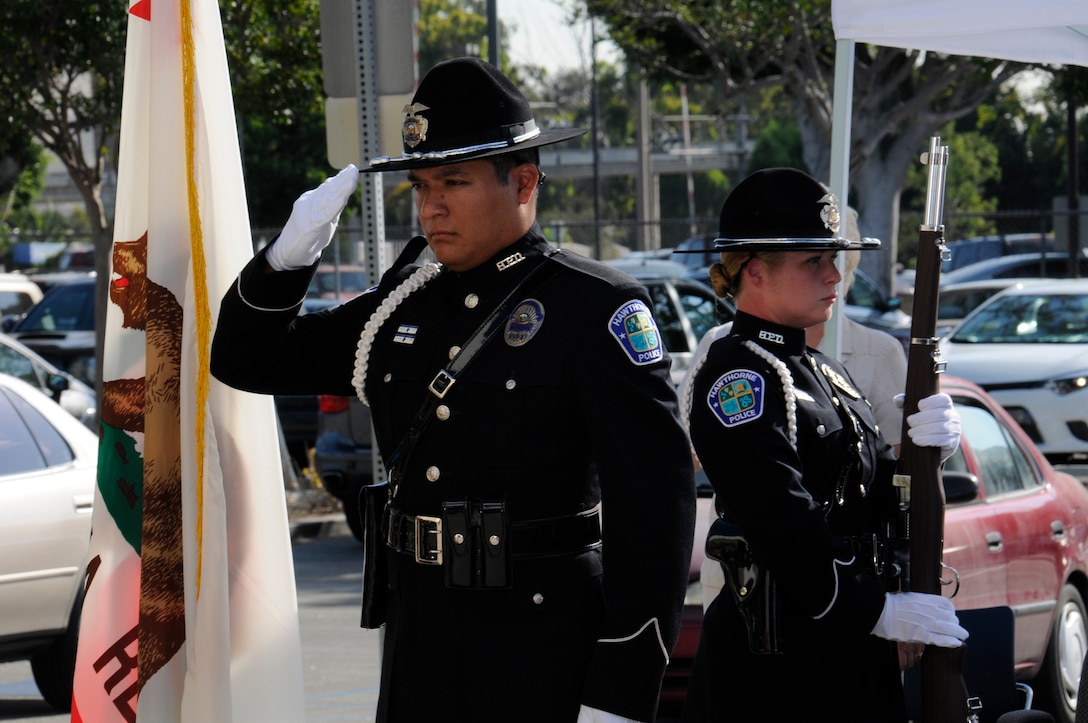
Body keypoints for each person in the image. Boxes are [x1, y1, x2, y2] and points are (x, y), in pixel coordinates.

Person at [210, 56, 696, 723]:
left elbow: (654, 515)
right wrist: (290, 253)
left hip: (541, 652)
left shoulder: (594, 309)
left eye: (454, 182)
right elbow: (245, 358)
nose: (430, 204)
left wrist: (618, 689)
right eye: (420, 184)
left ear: (523, 181)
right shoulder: (405, 306)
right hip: (420, 645)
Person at [678, 168, 967, 722]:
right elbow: (783, 519)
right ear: (755, 270)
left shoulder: (820, 370)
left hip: (842, 651)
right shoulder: (740, 378)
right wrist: (874, 609)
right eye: (815, 261)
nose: (836, 274)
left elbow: (879, 489)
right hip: (779, 669)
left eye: (834, 258)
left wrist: (926, 454)